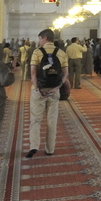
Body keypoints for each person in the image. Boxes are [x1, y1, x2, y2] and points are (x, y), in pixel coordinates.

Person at [27, 29, 68, 158]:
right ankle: (50, 149)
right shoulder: (61, 53)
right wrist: (58, 87)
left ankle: (34, 145)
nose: (39, 41)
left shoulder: (37, 52)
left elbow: (33, 73)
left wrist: (37, 88)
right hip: (54, 90)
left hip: (39, 90)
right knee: (52, 121)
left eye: (40, 38)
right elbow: (65, 74)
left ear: (45, 38)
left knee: (35, 119)